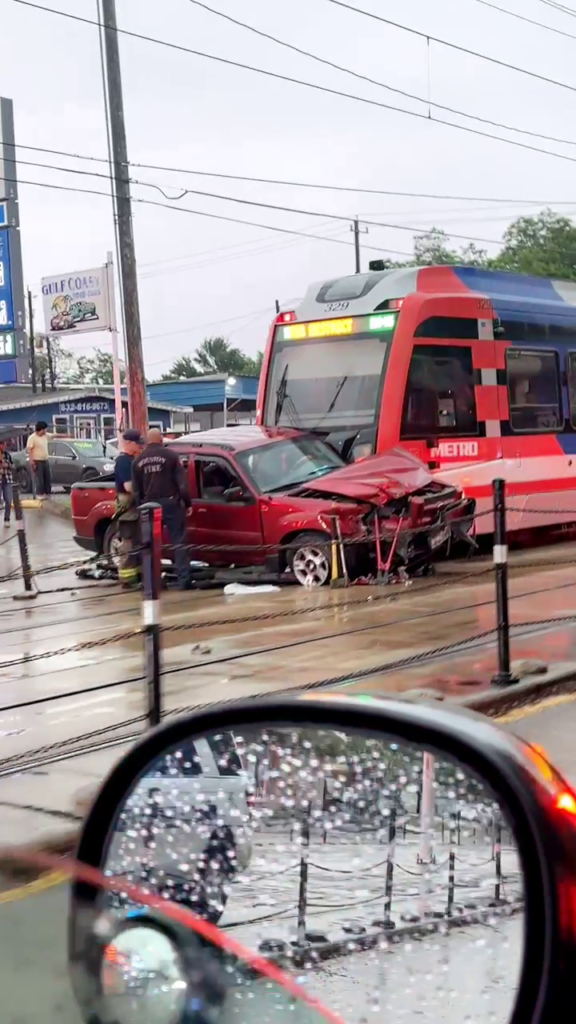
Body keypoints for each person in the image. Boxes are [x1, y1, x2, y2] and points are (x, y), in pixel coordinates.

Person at [132, 428, 192, 590]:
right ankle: (183, 580)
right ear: (161, 439)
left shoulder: (138, 461)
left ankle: (152, 581)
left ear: (147, 441)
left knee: (150, 545)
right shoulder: (171, 456)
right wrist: (187, 503)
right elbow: (182, 484)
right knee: (179, 541)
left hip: (149, 506)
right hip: (171, 503)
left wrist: (141, 509)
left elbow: (136, 490)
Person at [114, 428, 143, 589]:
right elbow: (129, 487)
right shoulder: (123, 462)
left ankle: (136, 575)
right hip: (128, 508)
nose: (140, 447)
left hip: (135, 507)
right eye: (138, 444)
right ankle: (126, 579)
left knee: (137, 542)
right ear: (129, 443)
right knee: (129, 543)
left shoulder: (133, 459)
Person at [26, 420, 51, 498]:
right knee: (40, 480)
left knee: (48, 478)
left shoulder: (45, 436)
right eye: (45, 429)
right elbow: (29, 449)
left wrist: (66, 435)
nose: (46, 431)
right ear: (42, 429)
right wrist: (31, 461)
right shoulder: (32, 438)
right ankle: (40, 495)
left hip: (45, 460)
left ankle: (48, 494)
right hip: (37, 461)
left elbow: (54, 435)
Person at [0, 439, 14, 527]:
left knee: (8, 500)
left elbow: (12, 465)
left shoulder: (7, 455)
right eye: (2, 445)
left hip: (7, 479)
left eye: (4, 445)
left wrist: (8, 465)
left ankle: (7, 519)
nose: (3, 447)